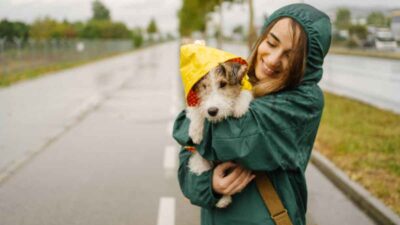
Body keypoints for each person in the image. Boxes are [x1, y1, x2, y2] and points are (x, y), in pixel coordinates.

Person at [173, 3, 332, 225]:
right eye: (272, 43)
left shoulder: (304, 100)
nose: (273, 59)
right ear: (262, 37)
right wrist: (209, 185)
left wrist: (185, 120)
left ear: (306, 64)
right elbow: (186, 164)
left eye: (291, 56)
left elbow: (233, 137)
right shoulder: (236, 79)